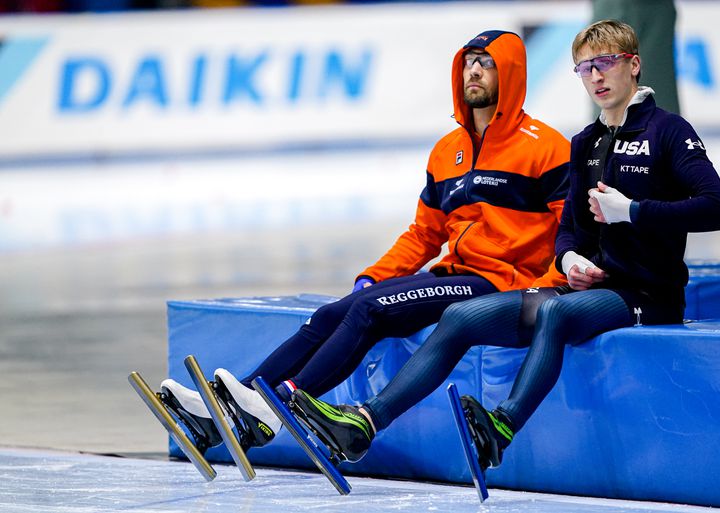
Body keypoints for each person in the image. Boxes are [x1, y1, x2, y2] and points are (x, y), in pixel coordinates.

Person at [289, 19, 720, 469]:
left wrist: (635, 211)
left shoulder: (669, 131)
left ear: (634, 65)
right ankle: (366, 421)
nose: (596, 77)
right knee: (459, 315)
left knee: (557, 311)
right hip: (589, 288)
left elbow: (718, 208)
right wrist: (570, 257)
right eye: (584, 68)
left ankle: (503, 425)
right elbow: (570, 229)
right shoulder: (586, 143)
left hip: (647, 294)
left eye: (605, 64)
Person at [158, 30, 571, 451]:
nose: (474, 71)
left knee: (370, 312)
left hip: (500, 284)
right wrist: (374, 274)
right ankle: (232, 406)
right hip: (456, 273)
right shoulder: (448, 150)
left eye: (487, 63)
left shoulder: (546, 148)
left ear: (513, 73)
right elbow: (424, 234)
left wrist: (542, 290)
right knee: (332, 312)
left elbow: (571, 232)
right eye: (469, 62)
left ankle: (277, 406)